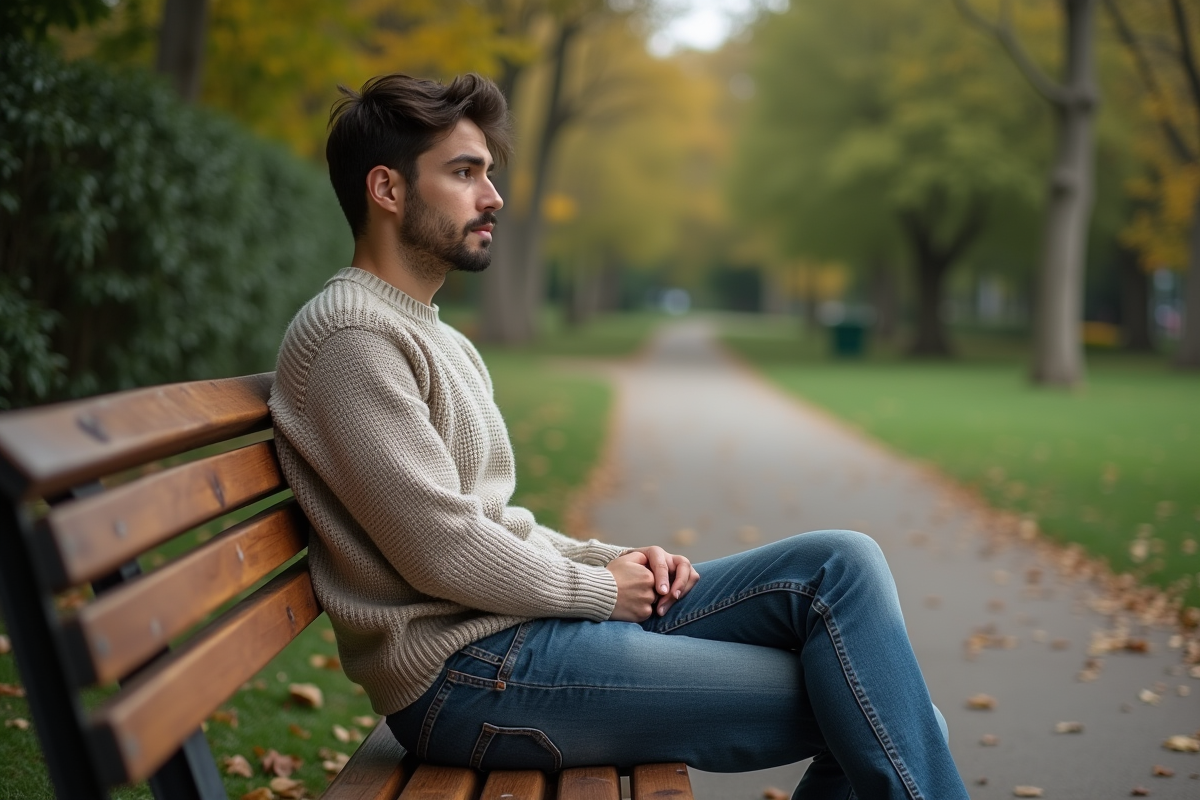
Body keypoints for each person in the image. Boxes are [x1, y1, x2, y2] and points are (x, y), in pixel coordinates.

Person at [268, 72, 969, 800]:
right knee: (890, 716)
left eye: (489, 173)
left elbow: (494, 526)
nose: (493, 197)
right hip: (469, 677)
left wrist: (613, 561)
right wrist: (601, 590)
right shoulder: (352, 337)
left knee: (842, 565)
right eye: (464, 173)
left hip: (519, 636)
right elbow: (443, 549)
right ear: (386, 190)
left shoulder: (430, 332)